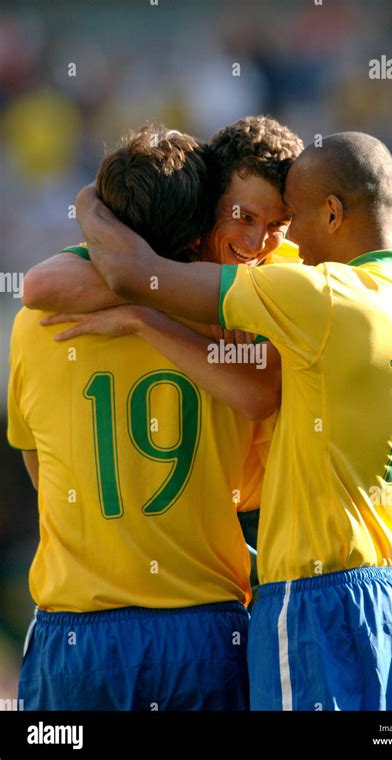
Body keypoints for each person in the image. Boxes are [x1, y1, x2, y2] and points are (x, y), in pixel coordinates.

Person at [50, 131, 392, 711]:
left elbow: (130, 272)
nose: (285, 245)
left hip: (321, 608)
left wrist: (92, 198)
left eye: (291, 221)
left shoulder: (321, 296)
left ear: (333, 212)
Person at [7, 124, 280, 711]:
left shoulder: (37, 321)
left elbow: (37, 466)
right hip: (203, 631)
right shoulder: (237, 317)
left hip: (76, 637)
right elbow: (256, 482)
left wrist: (89, 203)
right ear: (199, 226)